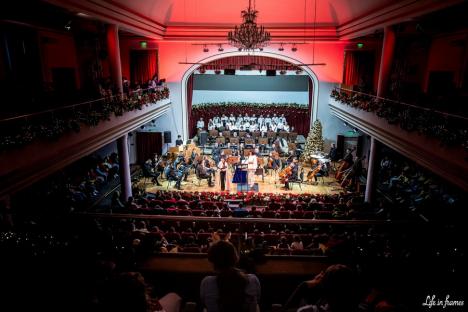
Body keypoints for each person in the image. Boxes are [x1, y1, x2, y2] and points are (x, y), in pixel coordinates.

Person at [200, 240, 261, 312]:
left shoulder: (207, 283)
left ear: (212, 261)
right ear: (235, 258)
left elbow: (204, 304)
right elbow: (257, 301)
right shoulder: (253, 280)